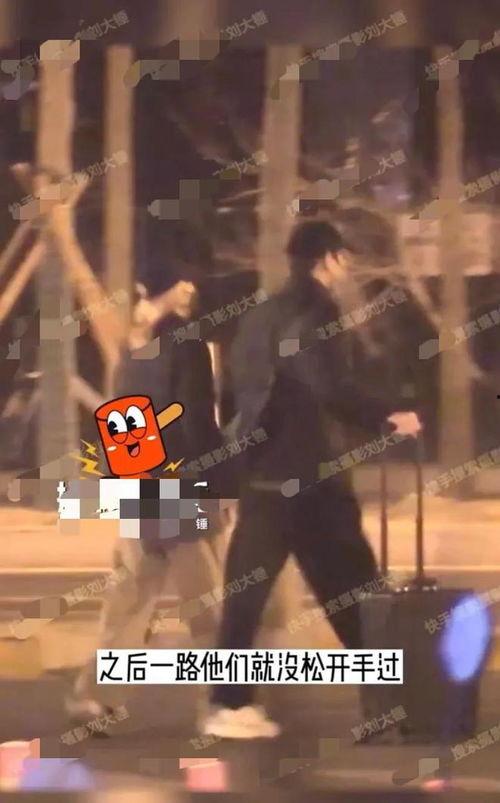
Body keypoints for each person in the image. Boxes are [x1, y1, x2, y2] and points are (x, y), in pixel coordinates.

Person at [201, 220, 423, 739]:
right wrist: (388, 416)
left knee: (246, 593)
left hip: (262, 475)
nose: (347, 268)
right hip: (310, 475)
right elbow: (329, 386)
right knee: (354, 586)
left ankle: (228, 706)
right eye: (344, 258)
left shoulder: (260, 315)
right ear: (329, 259)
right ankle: (393, 701)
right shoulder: (317, 310)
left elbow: (233, 393)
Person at [66, 275, 232, 727]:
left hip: (140, 490)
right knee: (207, 606)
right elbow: (197, 421)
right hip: (180, 492)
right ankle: (223, 704)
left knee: (129, 602)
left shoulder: (131, 353)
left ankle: (94, 697)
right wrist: (219, 485)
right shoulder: (185, 344)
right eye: (182, 288)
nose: (189, 295)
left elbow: (118, 422)